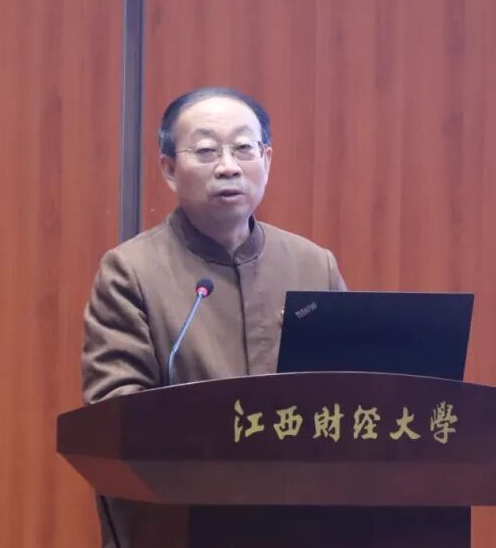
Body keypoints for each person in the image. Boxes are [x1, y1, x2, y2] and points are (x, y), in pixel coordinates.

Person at [81, 87, 346, 547]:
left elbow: (351, 393)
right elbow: (114, 411)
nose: (228, 166)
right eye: (206, 151)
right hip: (182, 524)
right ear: (169, 169)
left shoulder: (312, 265)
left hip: (304, 524)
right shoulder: (132, 271)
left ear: (266, 159)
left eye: (243, 148)